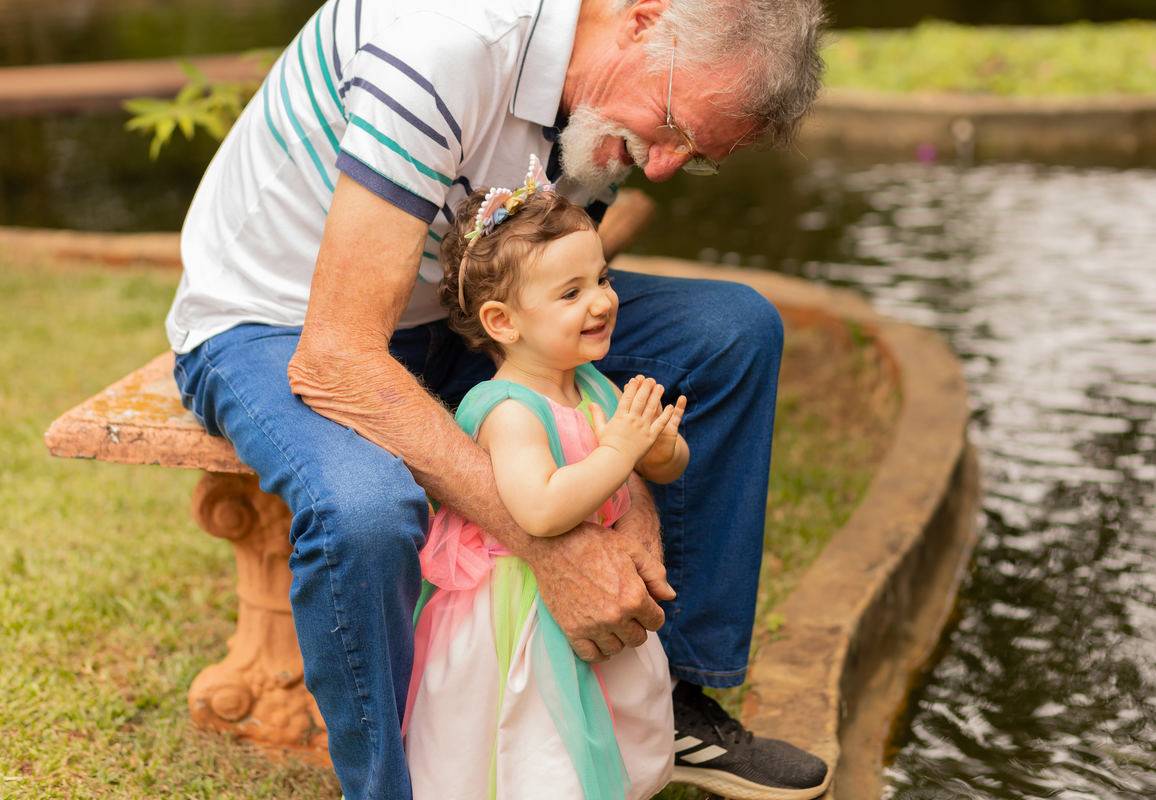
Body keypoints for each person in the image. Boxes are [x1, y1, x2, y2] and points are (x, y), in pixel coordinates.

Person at [165, 0, 830, 798]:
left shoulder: (599, 106)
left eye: (695, 156)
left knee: (732, 332)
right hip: (279, 323)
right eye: (673, 125)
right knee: (368, 511)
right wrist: (559, 546)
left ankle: (668, 692)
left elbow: (550, 310)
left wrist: (633, 498)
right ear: (643, 20)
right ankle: (387, 787)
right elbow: (338, 357)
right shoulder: (450, 40)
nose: (660, 167)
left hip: (456, 311)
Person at [404, 160, 685, 799]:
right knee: (535, 751)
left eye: (602, 279)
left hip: (587, 596)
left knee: (610, 728)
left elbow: (661, 468)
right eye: (571, 293)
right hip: (519, 611)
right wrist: (619, 447)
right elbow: (542, 510)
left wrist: (660, 445)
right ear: (505, 323)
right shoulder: (508, 409)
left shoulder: (590, 384)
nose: (603, 301)